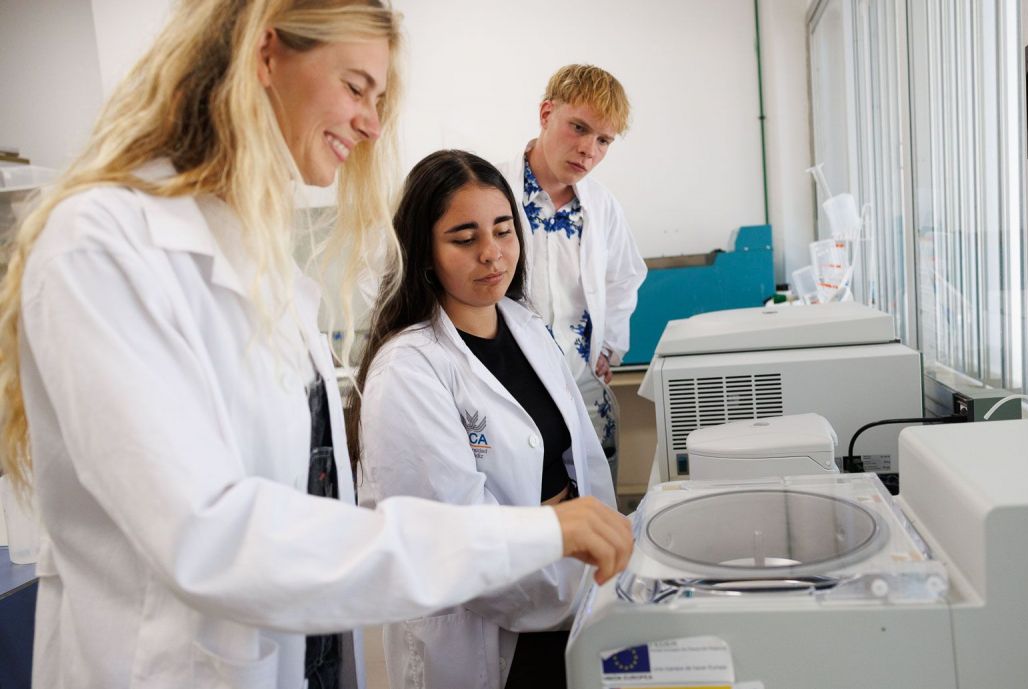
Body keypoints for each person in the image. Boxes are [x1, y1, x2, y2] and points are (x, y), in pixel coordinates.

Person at [0, 2, 631, 688]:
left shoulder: (258, 260)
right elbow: (213, 539)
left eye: (379, 97)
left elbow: (315, 504)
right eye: (356, 87)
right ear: (264, 56)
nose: (372, 122)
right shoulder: (102, 245)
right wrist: (535, 533)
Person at [346, 149, 617, 689]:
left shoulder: (527, 327)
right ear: (425, 251)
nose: (492, 254)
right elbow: (452, 536)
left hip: (569, 599)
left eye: (503, 230)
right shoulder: (410, 368)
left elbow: (582, 467)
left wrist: (592, 553)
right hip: (485, 635)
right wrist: (558, 537)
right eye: (465, 239)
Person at [499, 65, 647, 493]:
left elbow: (625, 276)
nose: (588, 149)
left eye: (603, 140)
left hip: (581, 381)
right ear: (546, 114)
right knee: (529, 510)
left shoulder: (601, 206)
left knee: (597, 508)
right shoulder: (490, 188)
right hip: (511, 384)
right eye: (578, 128)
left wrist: (611, 345)